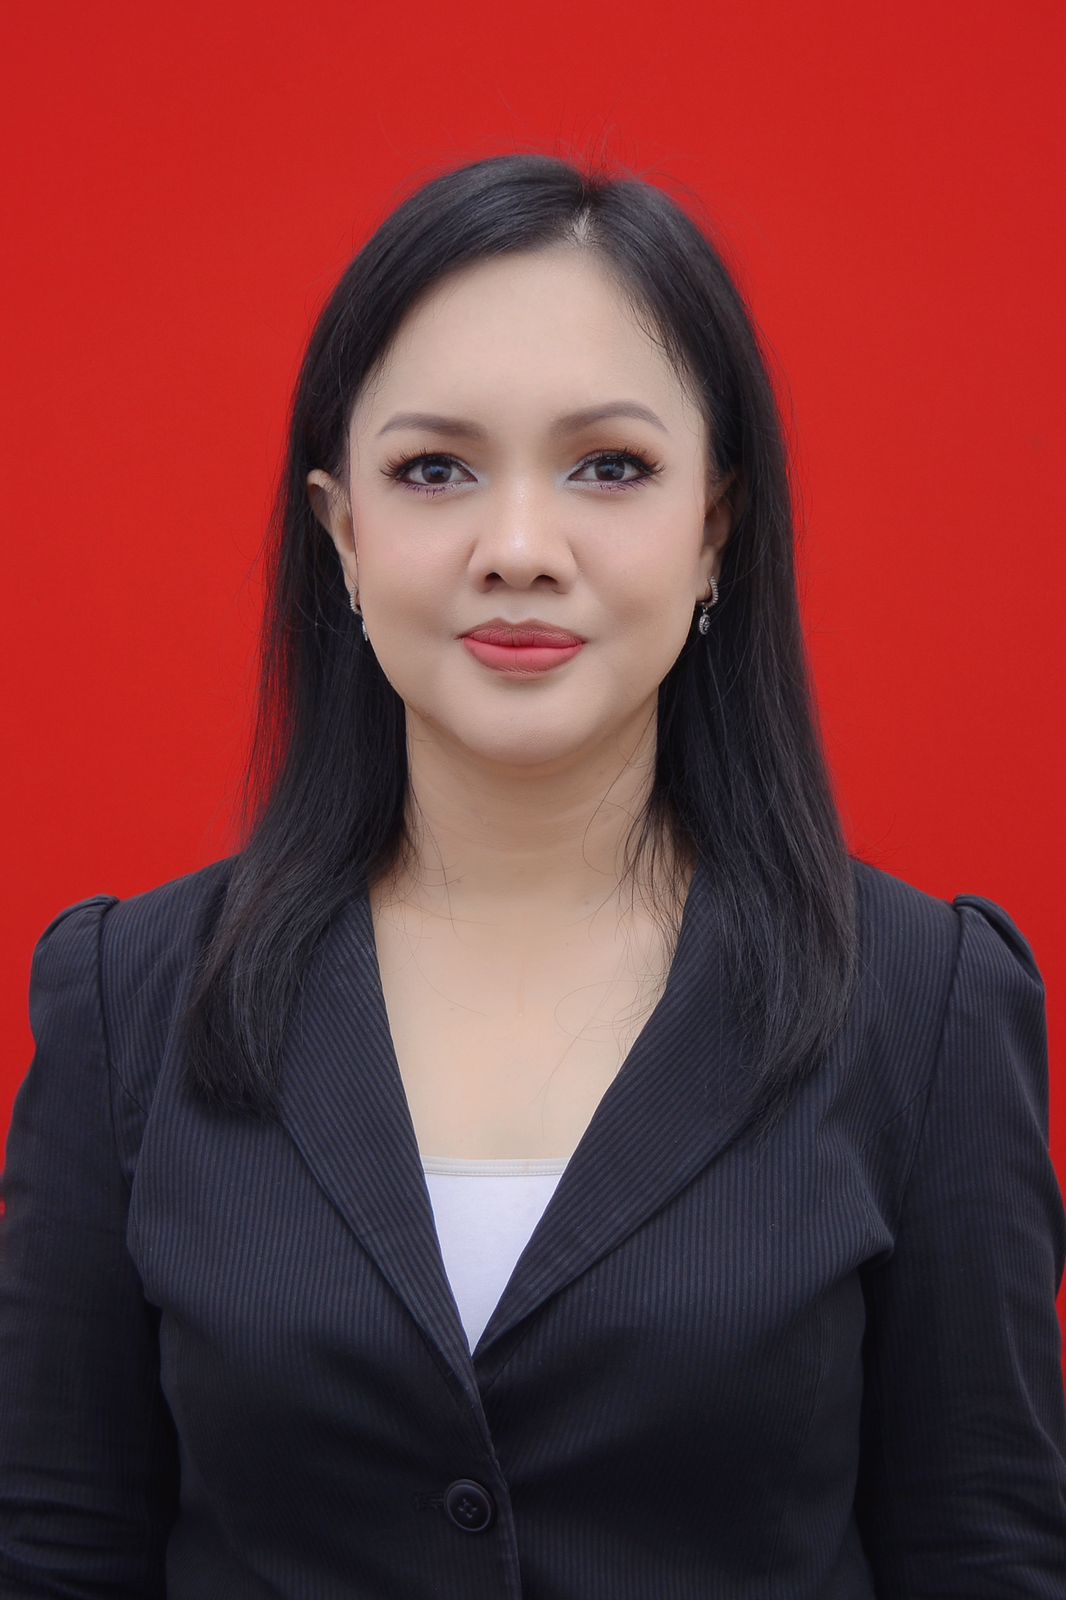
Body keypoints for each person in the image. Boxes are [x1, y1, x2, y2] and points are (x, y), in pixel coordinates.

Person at [2, 150, 1064, 1599]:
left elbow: (983, 1552)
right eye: (433, 470)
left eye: (609, 467)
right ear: (342, 534)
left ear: (715, 527)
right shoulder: (129, 1000)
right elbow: (54, 1550)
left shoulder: (923, 1005)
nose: (517, 549)